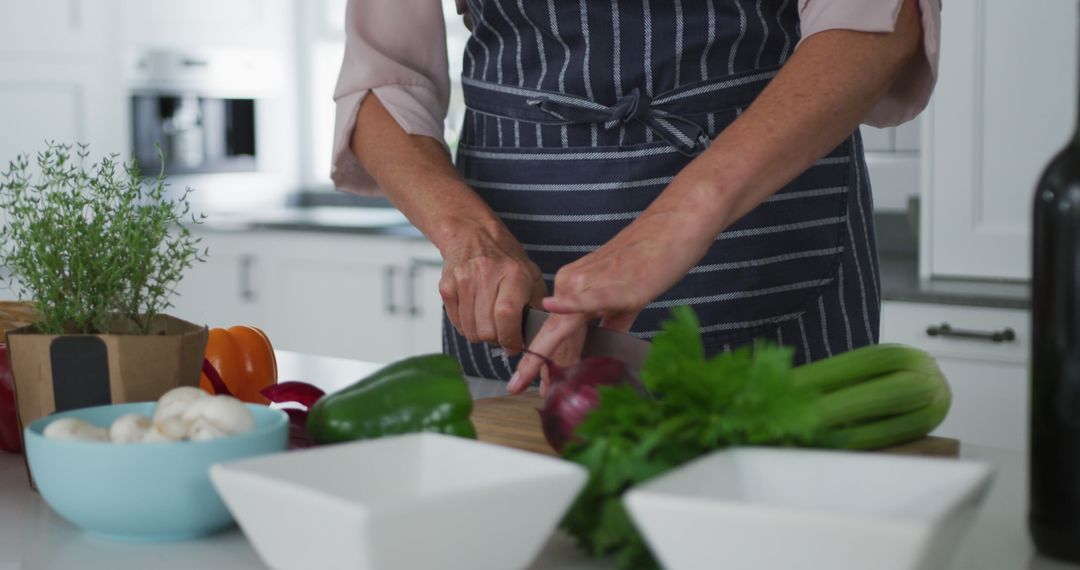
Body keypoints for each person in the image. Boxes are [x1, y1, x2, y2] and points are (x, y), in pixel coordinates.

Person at [332, 0, 940, 394]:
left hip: (767, 235)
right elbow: (382, 78)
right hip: (517, 277)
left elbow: (874, 20)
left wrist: (682, 217)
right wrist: (469, 236)